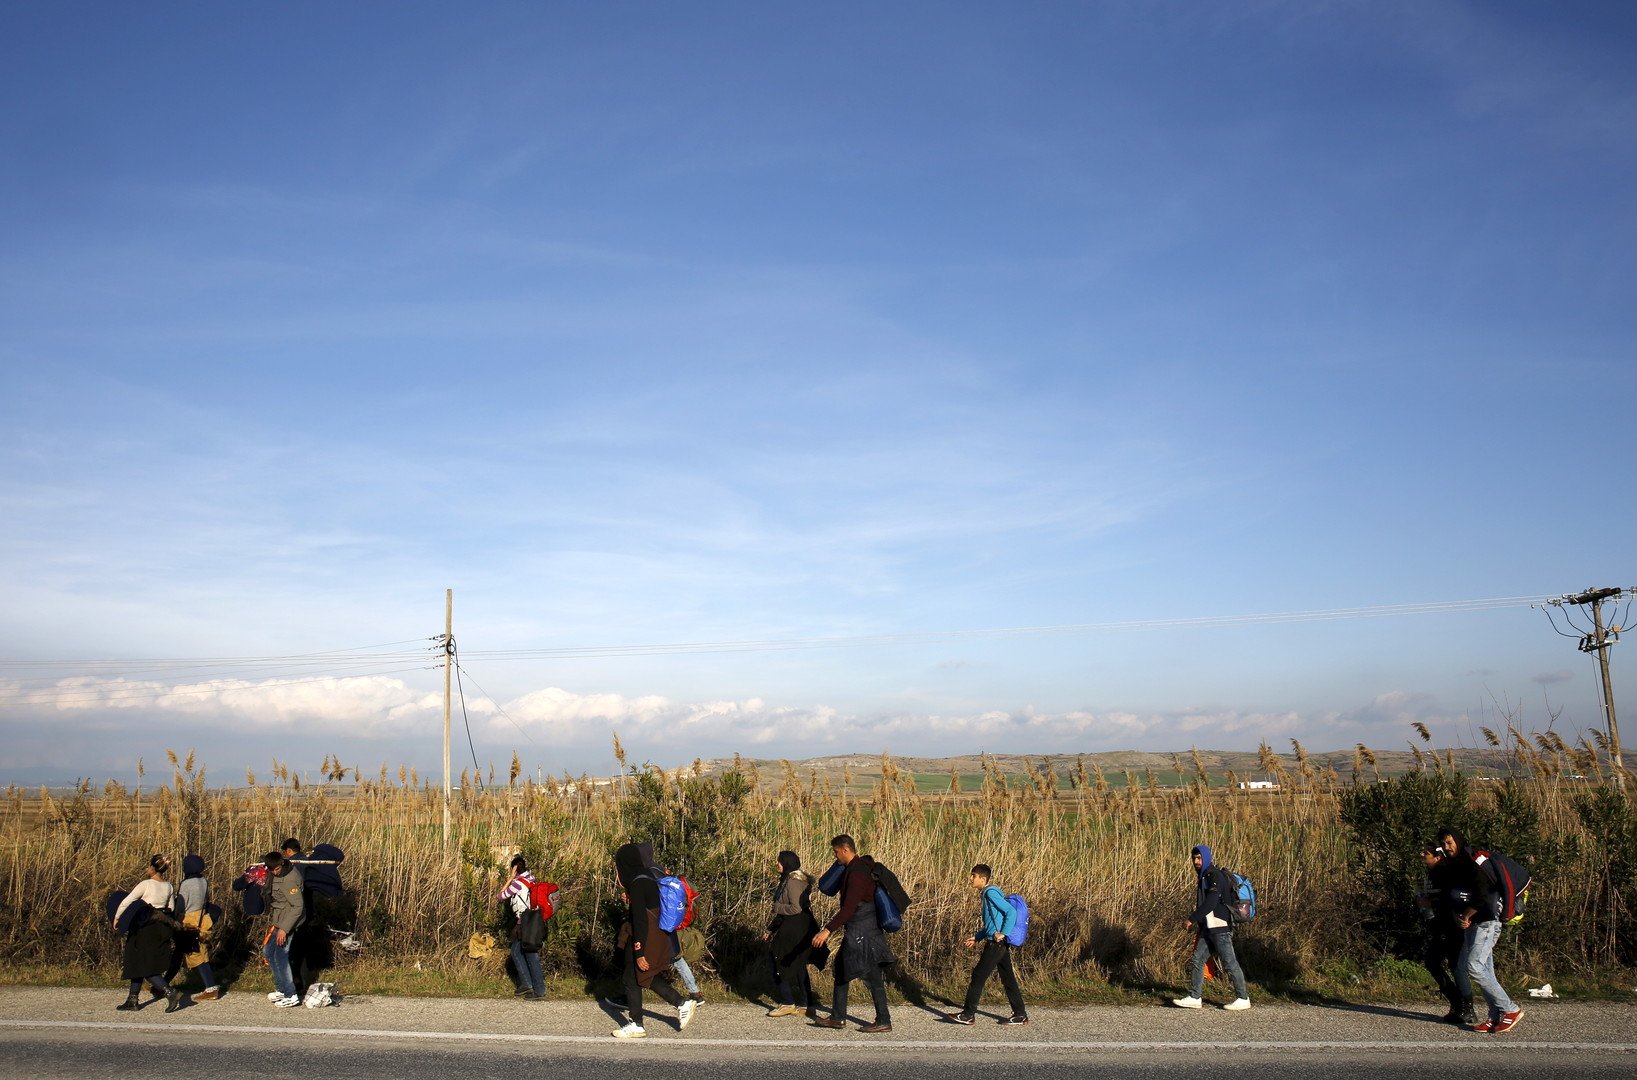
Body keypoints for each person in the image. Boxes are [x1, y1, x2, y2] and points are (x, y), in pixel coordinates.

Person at [1437, 827, 1524, 1033]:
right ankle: (1495, 1016)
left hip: (1486, 922)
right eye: (1444, 843)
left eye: (1450, 842)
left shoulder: (1472, 864)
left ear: (1459, 841)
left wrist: (1466, 915)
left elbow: (1481, 896)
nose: (1447, 847)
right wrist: (1460, 917)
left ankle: (1510, 1009)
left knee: (1473, 966)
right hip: (1473, 924)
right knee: (1486, 970)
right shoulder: (1455, 865)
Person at [610, 841, 694, 1038]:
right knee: (642, 976)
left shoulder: (638, 884)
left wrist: (639, 951)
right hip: (656, 934)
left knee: (634, 977)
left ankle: (639, 1023)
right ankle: (679, 1004)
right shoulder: (646, 876)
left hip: (645, 936)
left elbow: (640, 919)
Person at [811, 834, 894, 1033]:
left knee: (871, 975)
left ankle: (883, 1020)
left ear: (845, 850)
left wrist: (827, 930)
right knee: (841, 969)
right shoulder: (857, 868)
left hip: (862, 928)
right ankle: (838, 1017)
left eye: (836, 852)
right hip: (864, 926)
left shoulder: (857, 873)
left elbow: (849, 908)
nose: (835, 856)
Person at [1171, 844, 1250, 1011]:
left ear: (1206, 858)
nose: (1196, 861)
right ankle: (1194, 997)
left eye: (1199, 858)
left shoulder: (1212, 875)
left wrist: (1192, 919)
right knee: (1197, 959)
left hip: (1219, 927)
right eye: (1194, 858)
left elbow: (1212, 901)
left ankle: (1243, 998)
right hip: (1209, 928)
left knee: (1229, 963)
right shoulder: (1205, 876)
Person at [947, 863, 1028, 1026]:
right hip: (998, 942)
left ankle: (968, 1014)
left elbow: (1010, 912)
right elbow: (992, 924)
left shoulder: (990, 893)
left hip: (996, 943)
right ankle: (1020, 1014)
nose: (970, 879)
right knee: (1008, 978)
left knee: (978, 975)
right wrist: (977, 937)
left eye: (973, 876)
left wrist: (1003, 933)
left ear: (983, 879)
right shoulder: (987, 893)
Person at [112, 854, 182, 1013]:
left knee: (143, 964)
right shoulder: (169, 886)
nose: (146, 869)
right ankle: (132, 999)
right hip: (160, 927)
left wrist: (117, 918)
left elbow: (127, 901)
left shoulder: (146, 884)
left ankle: (169, 992)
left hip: (144, 927)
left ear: (152, 868)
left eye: (148, 866)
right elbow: (170, 908)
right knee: (139, 961)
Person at [1415, 843, 1470, 1025]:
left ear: (1437, 857)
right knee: (1439, 963)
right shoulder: (1431, 873)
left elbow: (1450, 897)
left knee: (1450, 964)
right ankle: (1459, 1003)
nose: (1422, 854)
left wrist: (1429, 902)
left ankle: (1464, 1005)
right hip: (1438, 924)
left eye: (1427, 852)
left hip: (1450, 925)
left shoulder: (1443, 872)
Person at [280, 837, 343, 995]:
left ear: (288, 851)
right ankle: (300, 981)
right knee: (300, 947)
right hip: (307, 912)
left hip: (292, 913)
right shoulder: (309, 863)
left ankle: (293, 984)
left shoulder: (292, 866)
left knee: (290, 948)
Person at [763, 850, 818, 1018]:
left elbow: (795, 908)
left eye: (779, 861)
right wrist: (771, 928)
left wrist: (776, 907)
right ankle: (805, 1003)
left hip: (794, 928)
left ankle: (788, 1002)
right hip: (798, 926)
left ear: (786, 863)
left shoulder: (793, 882)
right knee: (798, 964)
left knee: (778, 962)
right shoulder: (792, 879)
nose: (777, 864)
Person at [163, 854, 222, 1001]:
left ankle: (211, 988)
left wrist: (174, 917)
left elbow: (182, 904)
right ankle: (163, 985)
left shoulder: (187, 884)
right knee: (183, 953)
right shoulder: (204, 881)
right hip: (202, 919)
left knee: (196, 955)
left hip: (189, 920)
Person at [262, 851, 305, 1007]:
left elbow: (298, 907)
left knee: (281, 956)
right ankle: (281, 988)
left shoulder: (290, 879)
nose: (274, 872)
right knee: (268, 952)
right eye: (271, 870)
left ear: (282, 864)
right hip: (279, 920)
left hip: (289, 922)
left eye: (276, 869)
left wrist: (284, 929)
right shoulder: (275, 874)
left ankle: (291, 994)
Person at [500, 854, 546, 1000]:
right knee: (517, 950)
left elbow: (500, 896)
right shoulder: (531, 879)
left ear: (514, 868)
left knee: (531, 955)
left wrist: (509, 878)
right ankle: (527, 984)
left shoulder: (518, 884)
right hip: (533, 920)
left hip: (524, 922)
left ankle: (538, 990)